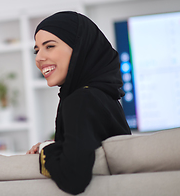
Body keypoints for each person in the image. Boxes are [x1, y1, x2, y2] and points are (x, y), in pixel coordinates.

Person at [27, 11, 131, 194]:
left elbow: (73, 179)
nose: (38, 58)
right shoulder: (103, 97)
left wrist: (46, 149)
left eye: (49, 46)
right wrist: (59, 144)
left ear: (80, 47)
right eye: (37, 50)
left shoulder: (81, 100)